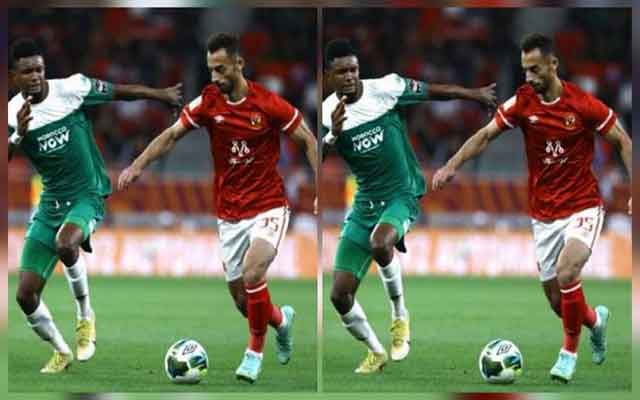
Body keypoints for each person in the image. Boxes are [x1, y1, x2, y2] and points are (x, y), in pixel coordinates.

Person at [117, 33, 318, 384]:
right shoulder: (209, 102)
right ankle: (281, 321)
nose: (214, 77)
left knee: (254, 273)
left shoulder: (268, 103)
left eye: (221, 69)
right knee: (243, 302)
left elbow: (308, 139)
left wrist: (320, 187)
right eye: (210, 69)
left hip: (268, 205)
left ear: (239, 64)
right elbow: (171, 135)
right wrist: (137, 164)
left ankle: (253, 354)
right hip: (229, 214)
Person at [432, 33, 632, 383]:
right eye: (525, 69)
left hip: (583, 205)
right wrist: (451, 164)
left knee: (568, 272)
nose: (529, 77)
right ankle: (595, 322)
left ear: (553, 65)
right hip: (543, 214)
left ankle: (568, 354)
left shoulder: (582, 104)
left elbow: (623, 140)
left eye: (535, 69)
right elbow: (485, 135)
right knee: (558, 302)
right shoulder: (523, 102)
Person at [8, 37, 183, 373]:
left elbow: (119, 92)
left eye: (39, 69)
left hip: (87, 193)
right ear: (14, 76)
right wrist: (18, 135)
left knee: (66, 243)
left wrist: (160, 95)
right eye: (27, 71)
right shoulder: (12, 113)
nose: (35, 76)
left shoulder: (71, 89)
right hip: (50, 204)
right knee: (25, 296)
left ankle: (85, 316)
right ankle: (61, 352)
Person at [322, 38, 497, 374]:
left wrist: (473, 94)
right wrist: (333, 134)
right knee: (339, 297)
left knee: (380, 243)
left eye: (353, 69)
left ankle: (399, 315)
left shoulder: (386, 88)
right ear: (329, 76)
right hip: (365, 204)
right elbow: (317, 158)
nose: (350, 76)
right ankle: (376, 352)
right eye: (341, 72)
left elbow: (434, 91)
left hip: (401, 194)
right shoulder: (330, 112)